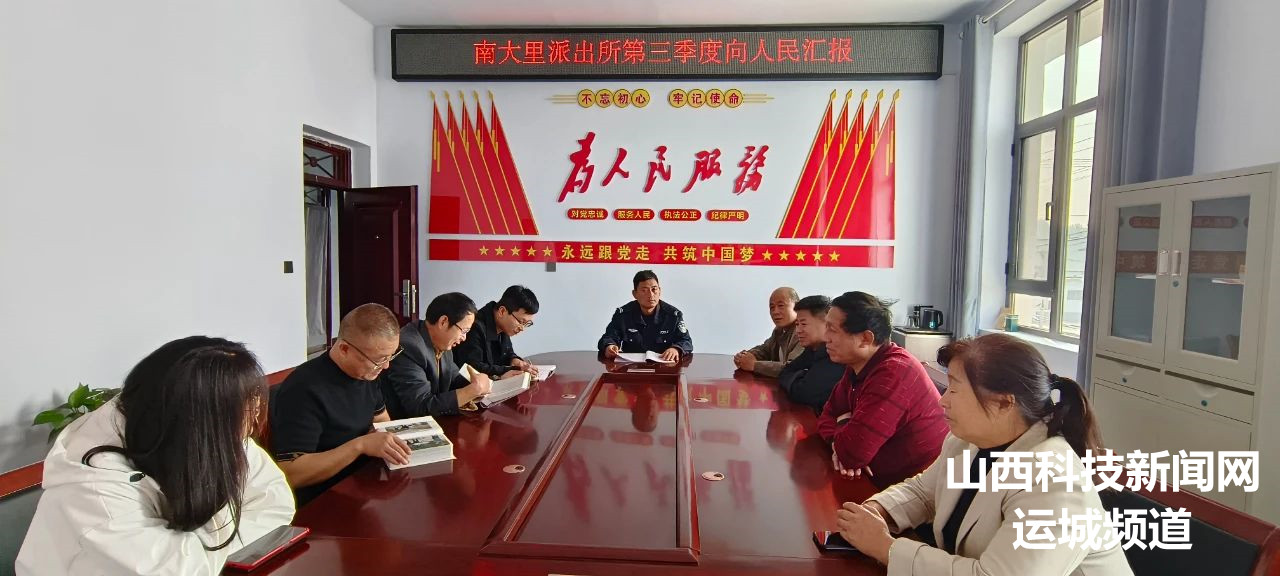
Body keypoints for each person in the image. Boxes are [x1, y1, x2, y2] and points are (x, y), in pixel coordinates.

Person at [836, 334, 1134, 575]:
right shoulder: (967, 442)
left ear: (1003, 403)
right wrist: (876, 511)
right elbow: (924, 493)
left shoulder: (1053, 478)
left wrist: (886, 548)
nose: (942, 401)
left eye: (954, 390)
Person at [17, 336, 295, 575]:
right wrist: (226, 535)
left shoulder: (198, 429)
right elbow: (175, 570)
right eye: (248, 408)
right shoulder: (94, 488)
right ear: (199, 419)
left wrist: (203, 550)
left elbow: (274, 501)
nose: (254, 419)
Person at [271, 303, 412, 505]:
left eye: (391, 357)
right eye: (380, 360)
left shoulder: (368, 373)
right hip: (323, 499)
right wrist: (360, 446)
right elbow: (291, 472)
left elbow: (381, 420)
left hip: (364, 484)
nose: (386, 366)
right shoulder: (303, 388)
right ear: (344, 349)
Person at [817, 291, 948, 489]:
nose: (825, 337)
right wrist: (841, 439)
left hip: (917, 492)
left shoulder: (893, 372)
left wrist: (843, 423)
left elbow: (852, 454)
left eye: (832, 329)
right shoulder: (858, 365)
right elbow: (826, 415)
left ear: (865, 338)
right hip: (881, 482)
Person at [382, 292, 492, 418]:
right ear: (443, 322)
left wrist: (477, 383)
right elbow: (420, 407)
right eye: (464, 331)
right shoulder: (410, 347)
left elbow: (453, 378)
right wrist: (471, 391)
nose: (464, 338)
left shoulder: (441, 341)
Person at [598, 270, 693, 362]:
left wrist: (676, 349)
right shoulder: (623, 314)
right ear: (635, 294)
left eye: (654, 289)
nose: (651, 295)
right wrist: (609, 346)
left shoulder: (673, 315)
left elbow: (686, 341)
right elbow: (609, 337)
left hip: (664, 366)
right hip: (631, 366)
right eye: (644, 290)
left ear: (660, 291)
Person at [453, 285, 539, 380]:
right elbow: (471, 368)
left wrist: (514, 360)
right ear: (502, 311)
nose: (522, 328)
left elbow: (508, 353)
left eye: (527, 324)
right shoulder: (474, 327)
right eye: (521, 322)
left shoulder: (503, 326)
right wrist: (504, 372)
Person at [777, 295, 845, 413]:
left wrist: (802, 377)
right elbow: (785, 371)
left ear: (826, 324)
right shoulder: (812, 349)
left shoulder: (835, 354)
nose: (798, 330)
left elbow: (803, 393)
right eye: (797, 324)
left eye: (803, 324)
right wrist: (804, 376)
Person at [734, 286, 804, 377]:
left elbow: (792, 368)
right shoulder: (779, 330)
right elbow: (764, 350)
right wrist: (744, 356)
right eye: (772, 307)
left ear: (797, 306)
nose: (775, 312)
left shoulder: (803, 332)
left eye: (781, 306)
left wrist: (754, 365)